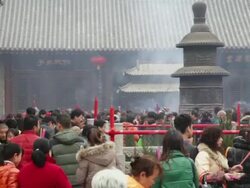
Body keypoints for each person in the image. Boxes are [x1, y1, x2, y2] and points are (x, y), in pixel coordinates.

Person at [50, 114, 85, 187]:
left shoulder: (52, 143)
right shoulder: (81, 141)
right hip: (79, 181)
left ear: (59, 125)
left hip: (61, 181)